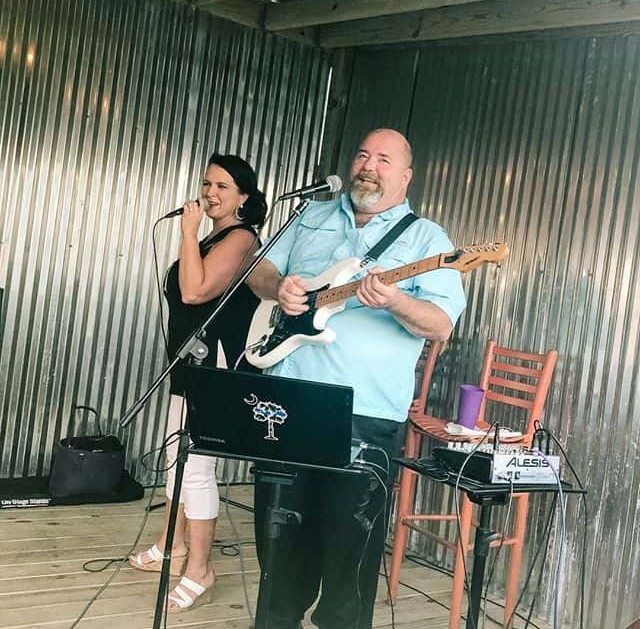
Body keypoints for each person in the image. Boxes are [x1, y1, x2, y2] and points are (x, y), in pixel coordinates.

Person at [246, 128, 466, 629]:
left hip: (364, 415)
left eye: (384, 159)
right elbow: (257, 269)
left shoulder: (428, 239)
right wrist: (278, 286)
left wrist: (396, 300)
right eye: (364, 154)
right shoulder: (311, 215)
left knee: (351, 552)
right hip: (288, 402)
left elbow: (440, 324)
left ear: (405, 176)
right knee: (278, 545)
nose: (369, 165)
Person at [129, 153, 266, 612]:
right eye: (207, 183)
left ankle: (201, 568)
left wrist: (187, 235)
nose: (210, 193)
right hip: (189, 363)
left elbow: (195, 290)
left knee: (198, 467)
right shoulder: (211, 236)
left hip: (218, 367)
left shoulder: (241, 238)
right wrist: (194, 237)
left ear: (243, 197)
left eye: (223, 186)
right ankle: (172, 545)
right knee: (176, 457)